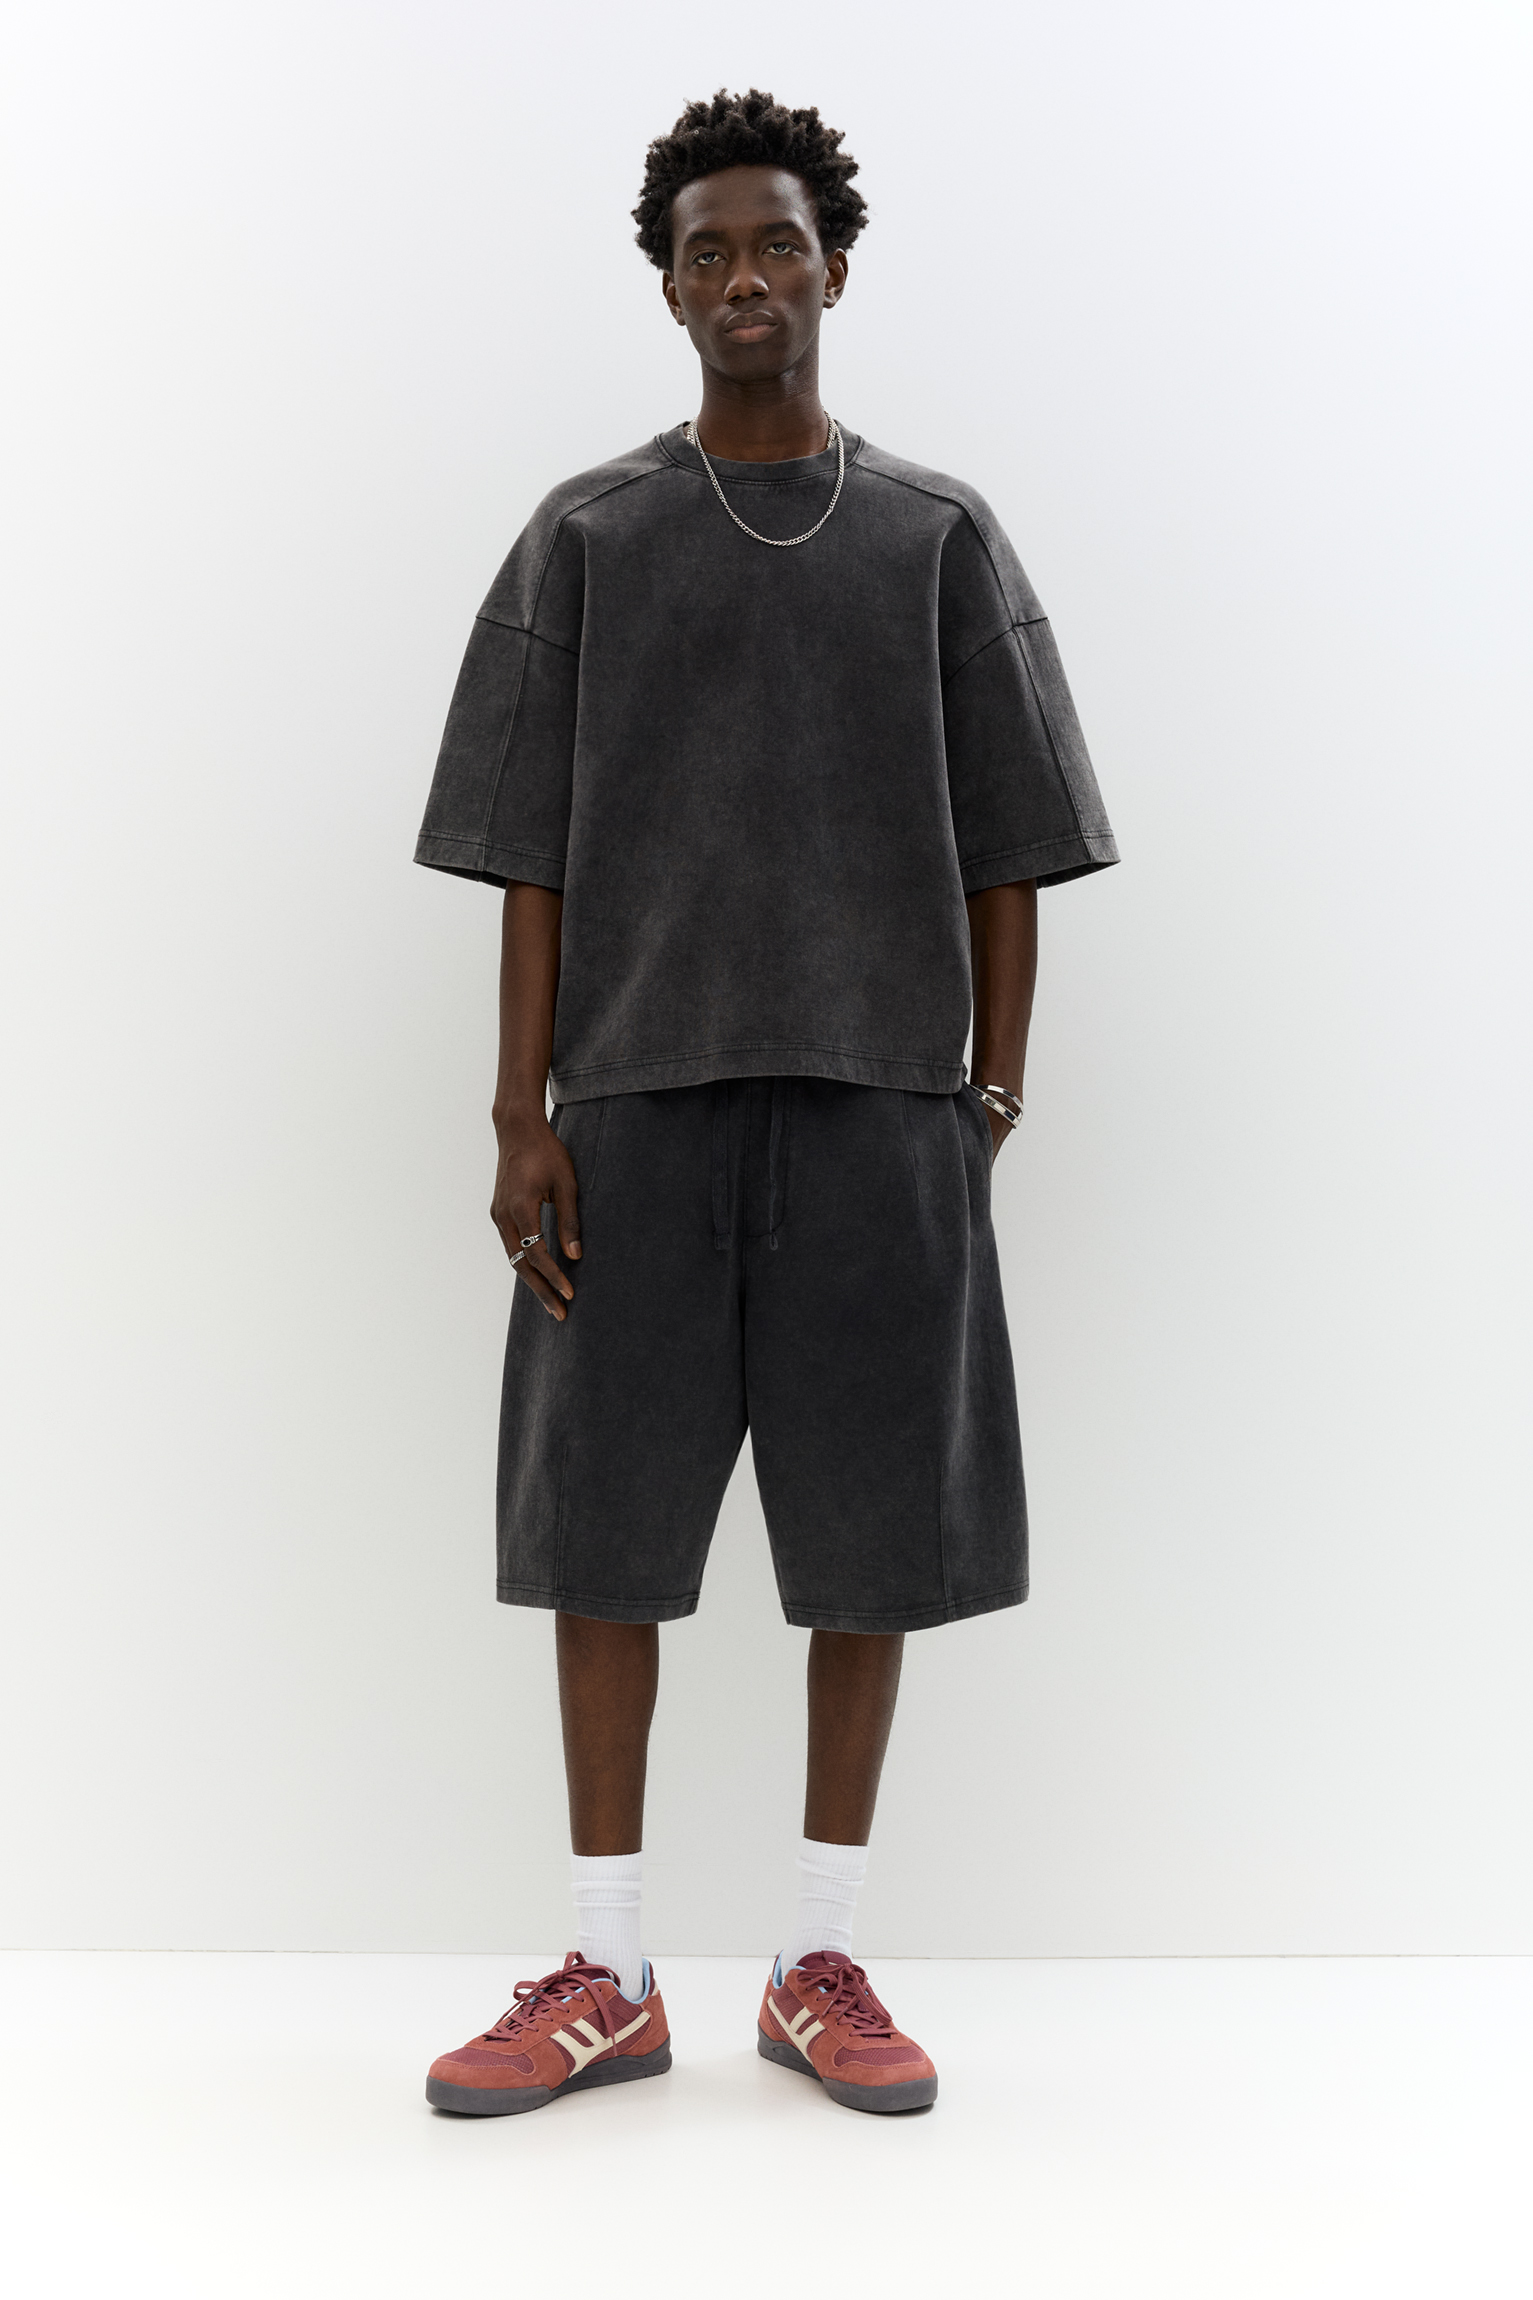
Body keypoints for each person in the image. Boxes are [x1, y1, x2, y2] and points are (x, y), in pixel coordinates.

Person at [416, 88, 1116, 2119]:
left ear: (834, 268)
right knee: (599, 1534)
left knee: (872, 1540)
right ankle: (611, 1974)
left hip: (881, 1114)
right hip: (631, 1110)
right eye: (705, 251)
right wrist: (517, 1112)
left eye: (776, 245)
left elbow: (1012, 841)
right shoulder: (589, 535)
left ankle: (818, 1958)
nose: (743, 278)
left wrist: (984, 1094)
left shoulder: (934, 537)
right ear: (666, 288)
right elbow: (526, 853)